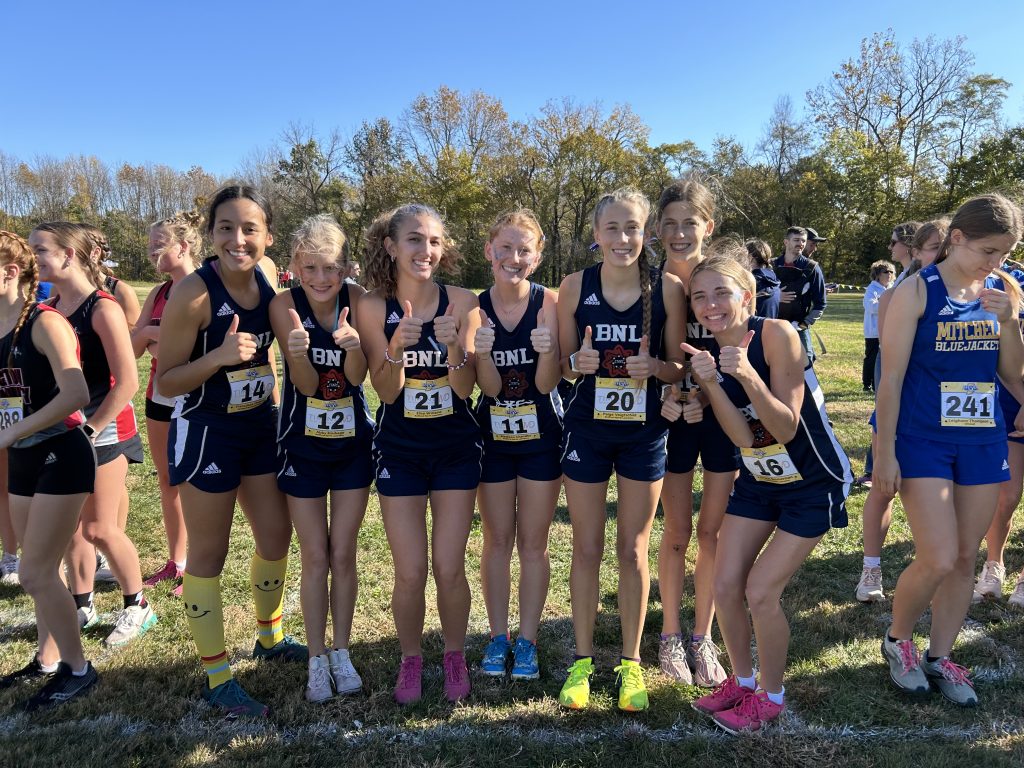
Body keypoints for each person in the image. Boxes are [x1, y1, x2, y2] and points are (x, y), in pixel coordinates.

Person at [670, 253, 851, 734]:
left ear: (747, 296)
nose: (710, 304)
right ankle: (743, 681)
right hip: (759, 479)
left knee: (761, 591)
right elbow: (743, 438)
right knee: (725, 585)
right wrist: (711, 382)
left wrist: (746, 374)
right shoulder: (710, 354)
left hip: (812, 482)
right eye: (700, 297)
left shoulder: (777, 334)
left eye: (721, 293)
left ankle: (771, 697)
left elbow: (786, 427)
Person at [157, 184, 303, 719]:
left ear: (268, 237)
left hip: (259, 426)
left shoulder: (267, 279)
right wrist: (218, 357)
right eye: (226, 228)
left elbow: (269, 357)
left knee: (276, 535)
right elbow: (167, 381)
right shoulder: (193, 294)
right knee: (210, 552)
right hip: (208, 431)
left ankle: (269, 636)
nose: (237, 239)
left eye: (249, 229)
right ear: (211, 234)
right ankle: (217, 675)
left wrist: (276, 399)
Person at [876, 194, 1024, 707]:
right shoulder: (917, 290)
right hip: (923, 439)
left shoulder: (1001, 292)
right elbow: (891, 379)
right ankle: (898, 640)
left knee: (964, 558)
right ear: (957, 238)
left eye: (1005, 254)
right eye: (988, 251)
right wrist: (885, 452)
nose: (996, 263)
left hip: (982, 439)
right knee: (937, 556)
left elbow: (1012, 374)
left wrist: (1010, 322)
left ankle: (940, 656)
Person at [556, 186, 686, 712]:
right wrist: (576, 364)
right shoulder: (574, 286)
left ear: (646, 233)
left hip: (642, 435)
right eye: (612, 228)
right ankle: (583, 660)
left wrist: (656, 368)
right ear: (596, 234)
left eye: (632, 228)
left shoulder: (668, 288)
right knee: (586, 548)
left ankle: (630, 662)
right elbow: (562, 365)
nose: (623, 238)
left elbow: (677, 368)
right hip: (587, 432)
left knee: (632, 549)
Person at [359, 203, 482, 704]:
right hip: (400, 451)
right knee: (410, 571)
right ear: (392, 246)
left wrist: (454, 350)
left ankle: (454, 654)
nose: (425, 250)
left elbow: (465, 388)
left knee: (449, 567)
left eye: (433, 240)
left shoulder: (463, 301)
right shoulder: (373, 307)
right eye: (413, 239)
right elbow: (386, 393)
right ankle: (411, 658)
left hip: (455, 450)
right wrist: (394, 347)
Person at [31, 222, 153, 646]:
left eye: (41, 249)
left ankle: (138, 604)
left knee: (100, 528)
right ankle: (82, 603)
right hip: (61, 433)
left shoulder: (102, 308)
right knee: (71, 529)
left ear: (69, 255)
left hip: (103, 431)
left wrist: (91, 427)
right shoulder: (46, 308)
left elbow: (128, 381)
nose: (33, 257)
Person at [269, 214, 372, 702]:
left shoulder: (360, 300)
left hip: (352, 445)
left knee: (343, 553)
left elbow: (357, 378)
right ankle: (315, 658)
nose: (321, 277)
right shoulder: (283, 304)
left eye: (330, 267)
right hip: (302, 445)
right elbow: (307, 385)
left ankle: (342, 652)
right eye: (310, 267)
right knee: (314, 555)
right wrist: (296, 354)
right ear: (295, 265)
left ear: (345, 266)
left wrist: (353, 347)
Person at [0, 230, 97, 708]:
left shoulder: (44, 321)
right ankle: (46, 657)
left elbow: (76, 394)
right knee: (40, 569)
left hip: (62, 451)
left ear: (10, 272)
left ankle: (78, 670)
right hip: (22, 454)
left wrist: (14, 431)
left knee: (34, 572)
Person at [473, 210, 561, 682]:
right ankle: (497, 636)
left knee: (533, 542)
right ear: (489, 250)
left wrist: (548, 350)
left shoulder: (550, 303)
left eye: (524, 249)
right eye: (505, 247)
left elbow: (547, 385)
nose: (514, 257)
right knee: (497, 539)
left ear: (537, 257)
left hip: (541, 436)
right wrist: (483, 352)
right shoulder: (474, 307)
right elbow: (487, 388)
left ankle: (527, 639)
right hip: (492, 438)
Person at [652, 179, 730, 689]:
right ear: (658, 229)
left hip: (721, 419)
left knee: (712, 533)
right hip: (670, 418)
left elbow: (749, 353)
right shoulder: (648, 284)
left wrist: (708, 394)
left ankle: (704, 636)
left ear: (709, 226)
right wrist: (672, 393)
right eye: (670, 224)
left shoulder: (724, 279)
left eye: (690, 223)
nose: (680, 233)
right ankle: (670, 634)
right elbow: (650, 357)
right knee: (677, 531)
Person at [856, 220, 940, 598]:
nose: (942, 255)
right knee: (883, 487)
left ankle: (934, 567)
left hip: (944, 417)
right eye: (933, 247)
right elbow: (890, 371)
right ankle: (871, 569)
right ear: (917, 250)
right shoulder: (898, 293)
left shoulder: (973, 295)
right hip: (900, 407)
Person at [131, 212, 202, 596]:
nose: (151, 252)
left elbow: (198, 347)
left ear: (183, 246)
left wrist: (154, 335)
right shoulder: (159, 293)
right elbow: (133, 346)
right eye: (149, 245)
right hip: (159, 397)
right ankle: (178, 561)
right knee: (167, 479)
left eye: (158, 245)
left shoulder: (204, 288)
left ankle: (200, 567)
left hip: (195, 399)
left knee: (194, 482)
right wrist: (151, 332)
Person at [972, 255, 1024, 606]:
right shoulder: (1010, 283)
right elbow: (1003, 353)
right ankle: (994, 565)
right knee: (1006, 494)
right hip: (1010, 401)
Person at [773, 227, 826, 364]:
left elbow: (820, 303)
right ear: (786, 242)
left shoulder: (812, 268)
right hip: (771, 326)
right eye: (796, 240)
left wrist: (804, 324)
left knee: (805, 365)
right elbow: (755, 294)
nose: (800, 244)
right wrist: (775, 296)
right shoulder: (770, 265)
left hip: (799, 327)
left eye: (803, 241)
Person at [862, 261, 896, 392]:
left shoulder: (894, 287)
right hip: (874, 331)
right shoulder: (872, 289)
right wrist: (888, 304)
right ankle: (867, 384)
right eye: (885, 272)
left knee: (885, 359)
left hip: (889, 330)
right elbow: (871, 307)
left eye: (891, 272)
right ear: (877, 275)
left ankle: (879, 382)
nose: (889, 274)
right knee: (872, 358)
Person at [745, 239, 780, 319]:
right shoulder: (774, 280)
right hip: (768, 326)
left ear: (750, 257)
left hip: (752, 326)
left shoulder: (751, 282)